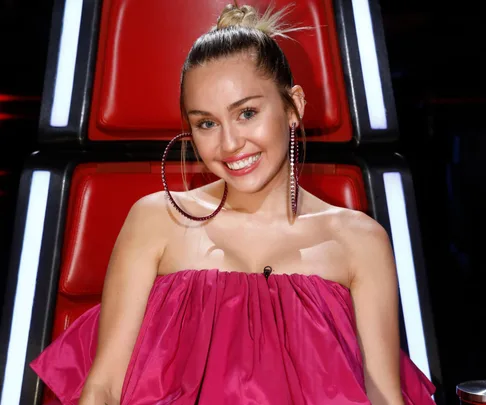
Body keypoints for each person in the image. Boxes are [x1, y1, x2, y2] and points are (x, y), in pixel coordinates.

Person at [31, 3, 436, 405]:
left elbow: (383, 397)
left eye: (247, 113)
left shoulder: (360, 241)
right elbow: (103, 388)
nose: (229, 144)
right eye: (207, 123)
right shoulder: (156, 219)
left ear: (294, 106)